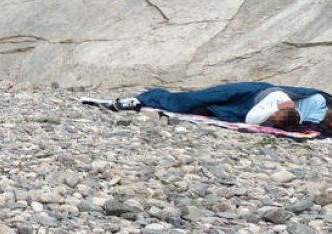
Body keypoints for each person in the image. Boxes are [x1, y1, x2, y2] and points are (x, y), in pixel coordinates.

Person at [106, 82, 329, 129]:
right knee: (196, 98)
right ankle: (142, 100)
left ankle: (150, 103)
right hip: (255, 93)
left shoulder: (318, 117)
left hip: (247, 110)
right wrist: (285, 104)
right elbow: (283, 94)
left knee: (205, 110)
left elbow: (307, 128)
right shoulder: (319, 100)